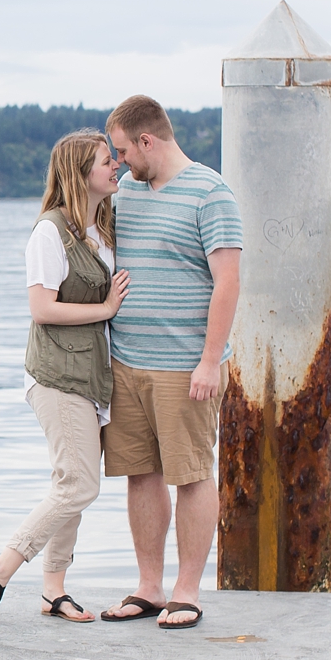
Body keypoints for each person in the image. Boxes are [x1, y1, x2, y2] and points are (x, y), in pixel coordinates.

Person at [99, 95, 242, 630]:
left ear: (147, 141)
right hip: (126, 362)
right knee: (141, 473)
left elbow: (227, 282)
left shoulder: (211, 192)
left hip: (186, 367)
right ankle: (149, 587)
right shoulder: (126, 193)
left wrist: (209, 361)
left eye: (121, 151)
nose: (118, 163)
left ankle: (187, 591)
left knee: (192, 474)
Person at [0, 130, 131, 624]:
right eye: (108, 161)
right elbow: (42, 309)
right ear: (81, 172)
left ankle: (54, 590)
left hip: (90, 376)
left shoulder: (100, 224)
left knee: (71, 483)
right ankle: (2, 563)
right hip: (57, 377)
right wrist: (105, 307)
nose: (117, 167)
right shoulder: (50, 232)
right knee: (79, 486)